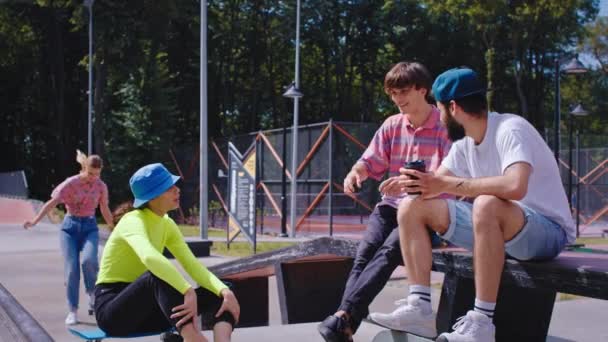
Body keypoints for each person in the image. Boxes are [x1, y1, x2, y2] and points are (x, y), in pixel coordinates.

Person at [369, 68, 574, 342]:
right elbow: (437, 183)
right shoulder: (464, 144)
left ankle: (481, 324)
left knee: (486, 204)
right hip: (501, 231)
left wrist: (446, 186)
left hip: (546, 233)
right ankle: (419, 307)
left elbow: (515, 186)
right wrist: (413, 184)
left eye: (440, 109)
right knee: (411, 206)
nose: (439, 118)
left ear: (452, 107)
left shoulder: (510, 128)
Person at [317, 61, 452, 342]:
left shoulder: (444, 126)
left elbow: (447, 180)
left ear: (422, 90)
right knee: (364, 256)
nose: (397, 99)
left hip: (425, 211)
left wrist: (408, 183)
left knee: (389, 251)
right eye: (392, 93)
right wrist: (356, 173)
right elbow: (371, 160)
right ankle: (346, 323)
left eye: (402, 92)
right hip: (391, 207)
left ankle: (343, 317)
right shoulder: (392, 124)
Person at [94, 163, 239, 342]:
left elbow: (192, 264)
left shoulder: (167, 223)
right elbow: (149, 257)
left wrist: (224, 291)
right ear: (152, 197)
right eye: (169, 188)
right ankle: (193, 339)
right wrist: (187, 291)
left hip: (150, 311)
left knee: (222, 289)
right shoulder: (132, 220)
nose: (177, 190)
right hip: (114, 313)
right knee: (155, 275)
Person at [24, 150, 113, 325]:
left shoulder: (101, 186)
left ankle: (92, 294)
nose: (93, 178)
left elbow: (104, 208)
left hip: (89, 227)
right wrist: (35, 220)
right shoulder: (70, 183)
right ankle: (72, 310)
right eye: (90, 173)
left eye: (97, 174)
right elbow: (52, 203)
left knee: (89, 261)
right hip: (69, 229)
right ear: (84, 168)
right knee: (72, 269)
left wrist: (114, 227)